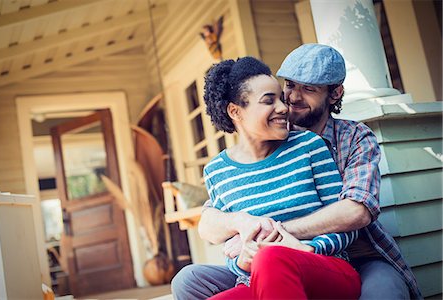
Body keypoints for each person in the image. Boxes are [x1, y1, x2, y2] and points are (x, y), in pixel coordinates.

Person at [172, 44, 422, 300]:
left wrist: (274, 234)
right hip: (270, 264)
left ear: (335, 93)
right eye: (289, 86)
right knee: (188, 280)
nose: (290, 99)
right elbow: (213, 220)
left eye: (308, 89)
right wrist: (241, 228)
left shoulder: (350, 138)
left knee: (382, 294)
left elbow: (356, 211)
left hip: (358, 256)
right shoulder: (258, 142)